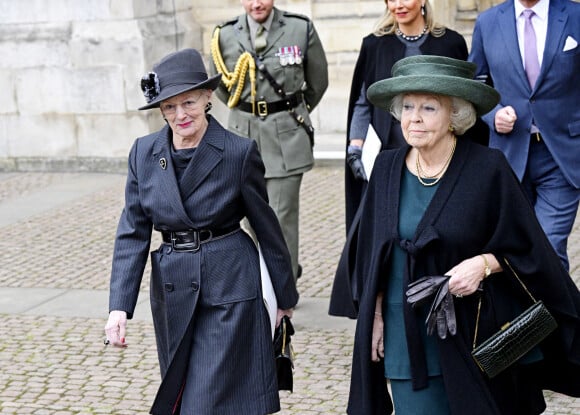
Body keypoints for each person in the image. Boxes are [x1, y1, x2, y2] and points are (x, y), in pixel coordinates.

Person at [332, 55, 580, 414]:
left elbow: (530, 250)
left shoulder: (487, 169)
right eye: (407, 107)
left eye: (429, 107)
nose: (414, 117)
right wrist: (375, 318)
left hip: (477, 337)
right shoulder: (385, 168)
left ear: (456, 116)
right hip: (408, 338)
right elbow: (373, 255)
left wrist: (483, 264)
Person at [104, 48, 299, 415]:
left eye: (189, 103)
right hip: (173, 288)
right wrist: (119, 307)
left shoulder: (238, 153)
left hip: (229, 286)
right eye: (170, 107)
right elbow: (133, 230)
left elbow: (266, 226)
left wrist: (284, 298)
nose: (181, 115)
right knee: (182, 390)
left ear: (208, 98)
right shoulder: (143, 153)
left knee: (206, 401)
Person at [209, 0, 328, 281]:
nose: (257, 3)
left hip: (286, 136)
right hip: (243, 135)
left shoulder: (300, 29)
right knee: (250, 215)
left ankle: (282, 286)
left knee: (281, 216)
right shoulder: (224, 35)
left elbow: (318, 82)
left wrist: (289, 112)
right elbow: (222, 87)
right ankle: (274, 268)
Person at [469, 0, 580, 271]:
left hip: (562, 155)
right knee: (517, 247)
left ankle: (554, 313)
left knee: (548, 244)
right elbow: (476, 82)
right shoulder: (488, 22)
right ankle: (553, 312)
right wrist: (492, 114)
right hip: (509, 156)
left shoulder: (576, 15)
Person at [344, 0, 470, 233]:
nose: (398, 5)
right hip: (389, 149)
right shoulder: (374, 45)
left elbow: (462, 103)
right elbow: (363, 103)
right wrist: (355, 148)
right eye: (391, 0)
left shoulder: (450, 43)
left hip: (439, 150)